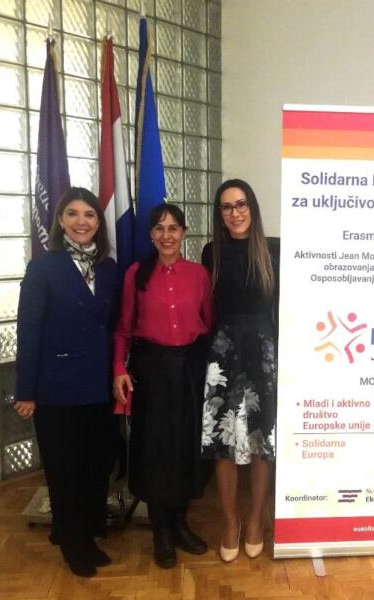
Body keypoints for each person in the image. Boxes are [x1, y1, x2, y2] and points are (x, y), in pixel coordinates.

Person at [14, 187, 120, 578]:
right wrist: (26, 390)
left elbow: (114, 326)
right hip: (56, 388)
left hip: (99, 385)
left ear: (98, 222)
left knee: (96, 464)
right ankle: (75, 544)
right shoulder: (43, 267)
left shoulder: (108, 269)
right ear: (60, 221)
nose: (81, 221)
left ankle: (82, 530)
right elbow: (28, 330)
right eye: (72, 214)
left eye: (89, 214)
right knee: (64, 469)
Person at [113, 203, 213, 569]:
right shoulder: (135, 275)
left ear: (183, 233)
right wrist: (118, 369)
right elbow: (123, 328)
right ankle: (161, 531)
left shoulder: (199, 275)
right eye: (159, 228)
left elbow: (209, 322)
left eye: (173, 228)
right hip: (151, 372)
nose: (166, 235)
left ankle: (180, 524)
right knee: (156, 451)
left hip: (189, 369)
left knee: (185, 447)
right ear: (151, 235)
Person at [201, 178, 279, 562]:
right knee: (225, 443)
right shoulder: (211, 252)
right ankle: (230, 521)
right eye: (227, 206)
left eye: (241, 204)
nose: (235, 213)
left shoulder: (274, 249)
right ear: (220, 214)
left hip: (264, 350)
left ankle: (255, 520)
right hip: (224, 351)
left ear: (253, 207)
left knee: (261, 442)